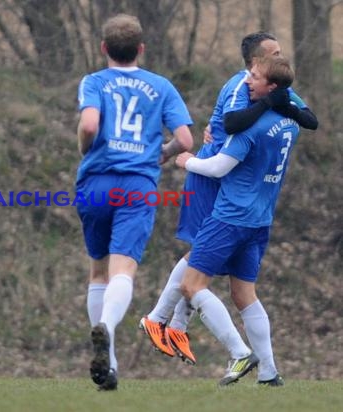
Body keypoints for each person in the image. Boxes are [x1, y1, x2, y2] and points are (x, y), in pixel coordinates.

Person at [139, 32, 318, 366]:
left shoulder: (277, 85)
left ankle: (176, 324)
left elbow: (309, 120)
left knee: (206, 262)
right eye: (274, 53)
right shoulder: (242, 85)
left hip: (231, 178)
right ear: (255, 63)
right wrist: (268, 105)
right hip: (210, 175)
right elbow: (232, 122)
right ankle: (159, 319)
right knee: (200, 254)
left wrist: (285, 103)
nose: (281, 57)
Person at [76, 14, 194, 391]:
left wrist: (85, 151)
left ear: (103, 48)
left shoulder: (94, 81)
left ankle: (108, 366)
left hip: (96, 183)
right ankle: (107, 328)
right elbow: (186, 141)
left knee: (98, 271)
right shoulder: (161, 86)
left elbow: (90, 125)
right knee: (122, 271)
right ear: (141, 48)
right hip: (137, 186)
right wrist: (160, 154)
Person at [174, 55, 300, 386]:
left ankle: (239, 353)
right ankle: (270, 373)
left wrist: (186, 161)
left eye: (254, 78)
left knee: (191, 286)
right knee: (244, 295)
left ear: (271, 86)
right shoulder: (288, 122)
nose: (246, 82)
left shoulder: (249, 126)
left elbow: (218, 167)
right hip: (260, 220)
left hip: (230, 217)